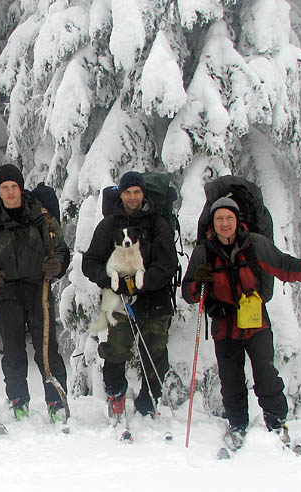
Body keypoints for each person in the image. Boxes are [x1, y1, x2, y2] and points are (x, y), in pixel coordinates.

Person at [182, 196, 301, 448]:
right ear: (213, 222)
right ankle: (237, 426)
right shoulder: (204, 252)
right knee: (230, 380)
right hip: (224, 325)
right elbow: (188, 294)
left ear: (237, 220)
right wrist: (198, 282)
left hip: (256, 323)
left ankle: (276, 423)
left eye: (229, 218)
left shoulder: (255, 245)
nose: (224, 223)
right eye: (219, 219)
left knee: (266, 374)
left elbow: (285, 266)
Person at [0, 164, 69, 422]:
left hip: (39, 291)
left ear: (21, 187)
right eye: (5, 187)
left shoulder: (41, 216)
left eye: (14, 186)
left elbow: (60, 248)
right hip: (8, 293)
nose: (11, 192)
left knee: (47, 350)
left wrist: (57, 264)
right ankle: (18, 401)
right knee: (13, 352)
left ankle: (56, 402)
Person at [82, 171, 178, 419]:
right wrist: (109, 281)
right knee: (116, 348)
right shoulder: (109, 225)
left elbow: (167, 264)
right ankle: (115, 396)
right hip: (121, 300)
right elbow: (90, 262)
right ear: (121, 195)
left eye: (136, 192)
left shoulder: (158, 224)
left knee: (155, 351)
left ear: (143, 193)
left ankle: (149, 400)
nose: (132, 197)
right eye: (127, 192)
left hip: (154, 298)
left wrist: (140, 282)